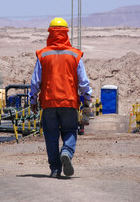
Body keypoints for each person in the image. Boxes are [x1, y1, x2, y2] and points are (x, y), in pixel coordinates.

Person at [29, 17, 93, 178]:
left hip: (49, 103)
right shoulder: (75, 55)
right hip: (69, 102)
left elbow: (35, 81)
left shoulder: (43, 55)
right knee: (70, 131)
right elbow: (83, 82)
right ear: (66, 34)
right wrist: (87, 101)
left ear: (50, 33)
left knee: (51, 136)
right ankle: (66, 151)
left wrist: (32, 100)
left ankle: (55, 169)